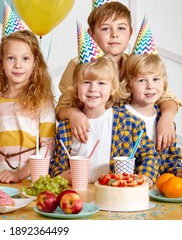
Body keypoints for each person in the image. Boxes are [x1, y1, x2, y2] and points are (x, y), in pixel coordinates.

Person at [56, 0, 182, 151]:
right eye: (106, 28)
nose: (114, 34)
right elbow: (62, 108)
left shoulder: (136, 63)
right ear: (91, 34)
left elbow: (166, 97)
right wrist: (73, 114)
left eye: (121, 28)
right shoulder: (79, 64)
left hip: (132, 143)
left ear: (130, 33)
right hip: (93, 139)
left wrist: (167, 117)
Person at [49, 23, 159, 185]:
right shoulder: (66, 128)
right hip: (78, 199)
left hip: (116, 198)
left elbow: (149, 155)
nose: (93, 89)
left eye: (101, 83)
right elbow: (56, 164)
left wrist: (145, 178)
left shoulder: (130, 123)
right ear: (76, 87)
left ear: (113, 88)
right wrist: (61, 176)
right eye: (86, 82)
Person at [0, 2, 56, 184]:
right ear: (1, 62)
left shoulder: (43, 100)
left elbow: (48, 146)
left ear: (35, 63)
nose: (18, 65)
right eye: (11, 58)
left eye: (25, 58)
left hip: (33, 178)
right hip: (0, 176)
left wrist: (20, 174)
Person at [120, 16, 182, 177]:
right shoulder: (120, 117)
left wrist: (178, 170)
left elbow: (170, 158)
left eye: (156, 79)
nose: (150, 86)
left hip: (160, 188)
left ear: (163, 82)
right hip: (131, 186)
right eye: (142, 80)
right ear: (129, 84)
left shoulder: (164, 119)